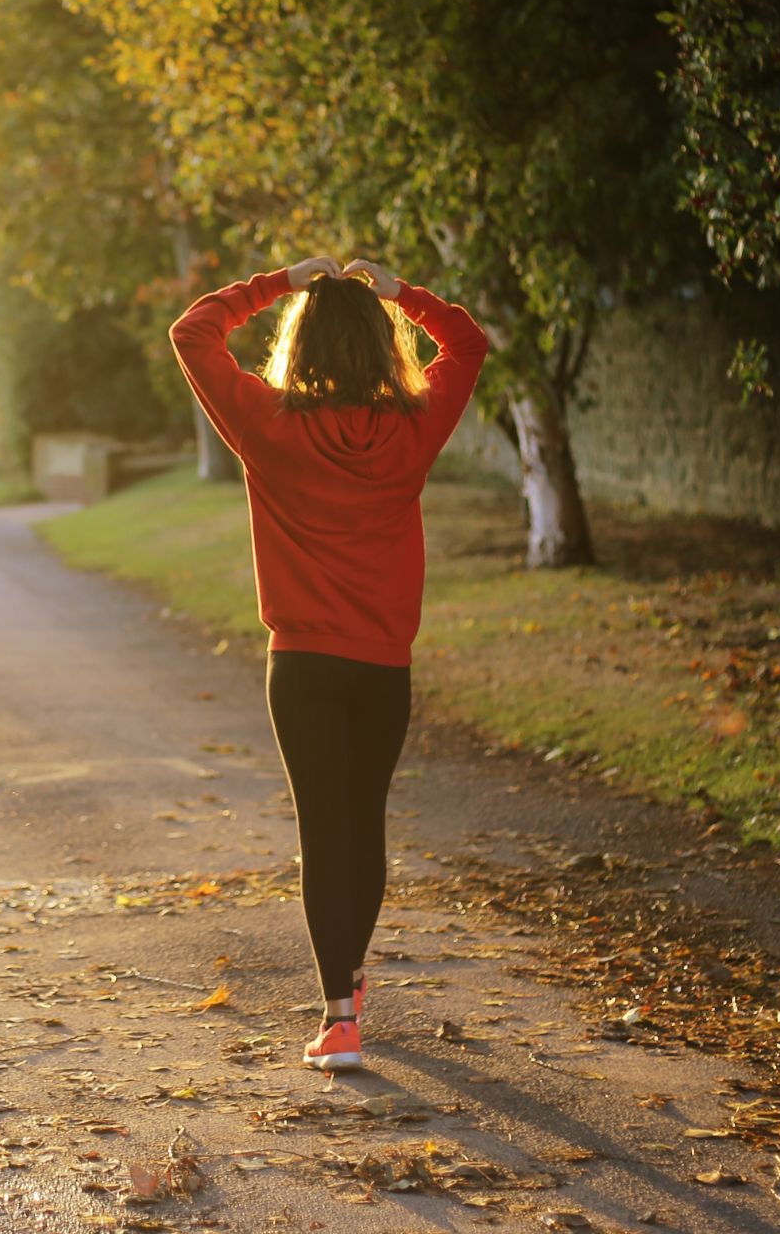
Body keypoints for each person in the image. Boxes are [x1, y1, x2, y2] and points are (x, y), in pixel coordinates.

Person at [168, 255, 489, 1072]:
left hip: (303, 665)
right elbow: (470, 342)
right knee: (364, 824)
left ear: (300, 345)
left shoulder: (267, 423)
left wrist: (279, 282)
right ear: (383, 348)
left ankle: (339, 1016)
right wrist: (402, 295)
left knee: (324, 830)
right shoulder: (415, 425)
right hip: (382, 666)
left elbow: (193, 332)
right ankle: (346, 985)